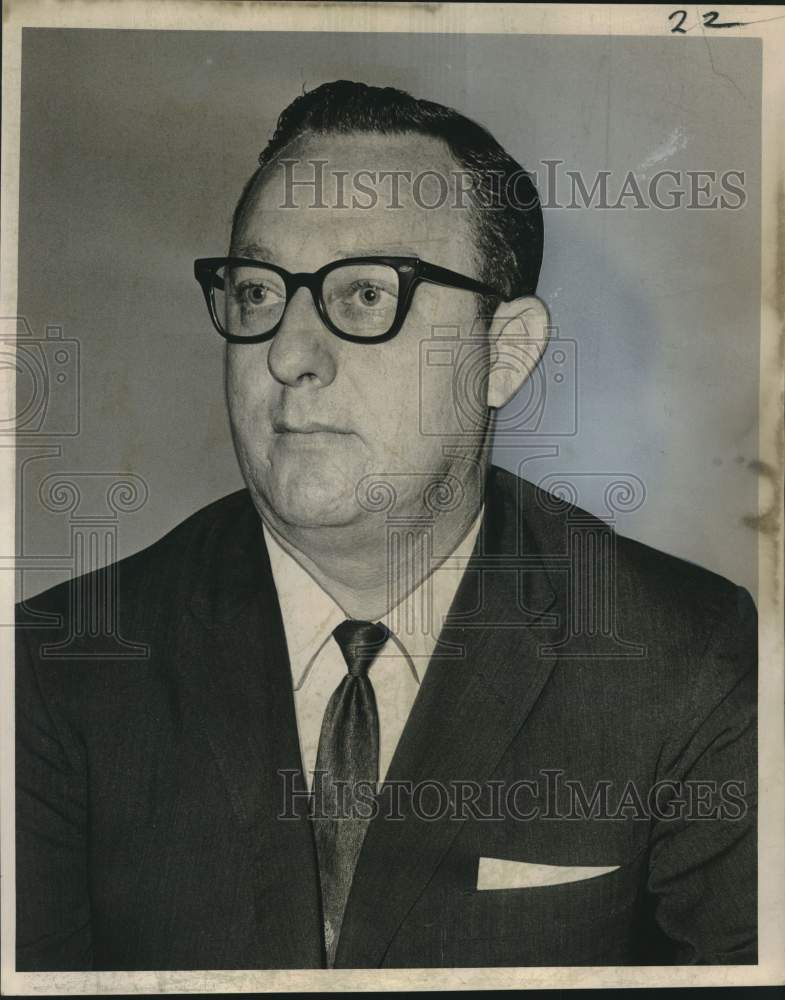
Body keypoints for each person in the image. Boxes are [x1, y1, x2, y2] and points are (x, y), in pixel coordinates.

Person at [15, 80, 756, 971]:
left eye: (365, 296)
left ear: (503, 353)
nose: (286, 354)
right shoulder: (58, 668)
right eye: (257, 292)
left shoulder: (690, 660)